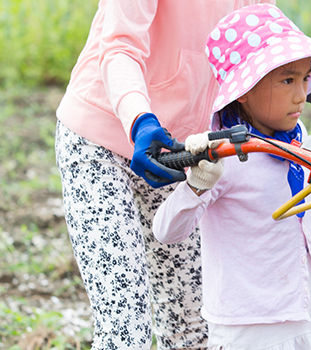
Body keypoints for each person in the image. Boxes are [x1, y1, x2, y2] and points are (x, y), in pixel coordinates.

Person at [153, 4, 311, 349]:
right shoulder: (223, 156)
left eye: (304, 78)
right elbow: (166, 231)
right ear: (243, 90)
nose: (301, 95)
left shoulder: (296, 135)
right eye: (287, 80)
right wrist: (197, 186)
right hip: (254, 325)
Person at [54, 1, 276, 349]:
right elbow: (119, 46)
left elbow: (260, 53)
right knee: (125, 330)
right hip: (102, 140)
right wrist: (140, 120)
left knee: (192, 327)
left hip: (178, 153)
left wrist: (306, 84)